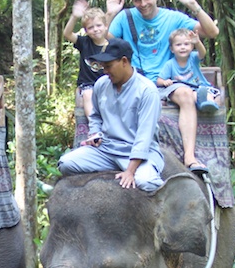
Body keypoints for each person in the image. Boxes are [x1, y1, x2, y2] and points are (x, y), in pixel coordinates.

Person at [106, 0, 219, 172]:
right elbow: (102, 44)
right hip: (135, 80)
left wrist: (194, 6)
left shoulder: (172, 18)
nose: (142, 4)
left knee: (185, 93)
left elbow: (212, 32)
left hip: (166, 81)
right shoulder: (126, 17)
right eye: (137, 0)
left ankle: (190, 157)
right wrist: (109, 14)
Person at [57, 39, 164, 192]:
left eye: (108, 66)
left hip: (137, 153)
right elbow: (95, 116)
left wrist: (130, 171)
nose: (105, 71)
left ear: (124, 61)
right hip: (107, 149)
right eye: (103, 67)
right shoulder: (101, 84)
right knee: (66, 163)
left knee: (145, 182)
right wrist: (95, 133)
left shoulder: (147, 91)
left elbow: (144, 136)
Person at [155, 28, 223, 167]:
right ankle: (203, 100)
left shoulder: (193, 58)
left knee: (210, 93)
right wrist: (165, 82)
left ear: (191, 47)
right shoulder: (170, 64)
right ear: (172, 49)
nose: (183, 47)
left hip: (199, 88)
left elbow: (202, 53)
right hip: (183, 91)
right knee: (192, 95)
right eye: (178, 45)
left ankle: (206, 101)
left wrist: (197, 42)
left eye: (186, 44)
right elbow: (159, 80)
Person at [63, 0, 109, 145]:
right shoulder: (84, 42)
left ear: (105, 26)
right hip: (88, 84)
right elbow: (67, 33)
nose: (95, 29)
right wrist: (75, 16)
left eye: (98, 25)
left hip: (108, 84)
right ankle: (94, 129)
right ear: (86, 30)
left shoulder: (112, 45)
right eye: (91, 27)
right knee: (88, 95)